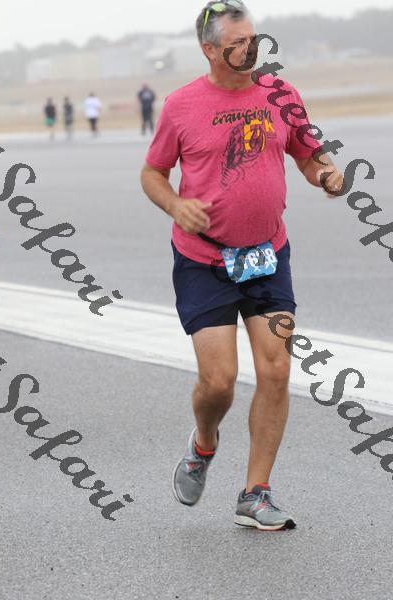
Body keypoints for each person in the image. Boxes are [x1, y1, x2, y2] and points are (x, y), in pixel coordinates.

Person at [140, 0, 344, 531]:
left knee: (276, 369)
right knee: (220, 383)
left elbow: (307, 152)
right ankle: (204, 444)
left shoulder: (281, 94)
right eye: (238, 42)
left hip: (266, 255)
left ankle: (256, 493)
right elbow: (153, 173)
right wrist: (176, 205)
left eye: (254, 38)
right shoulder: (182, 105)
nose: (251, 49)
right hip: (204, 260)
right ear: (209, 50)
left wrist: (325, 173)